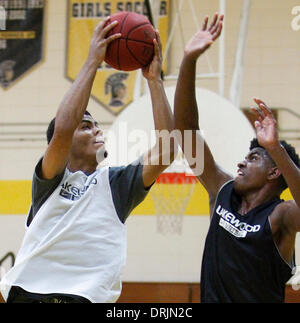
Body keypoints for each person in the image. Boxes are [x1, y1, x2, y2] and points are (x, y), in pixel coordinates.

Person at [0, 17, 175, 303]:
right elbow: (63, 128)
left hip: (83, 297)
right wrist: (93, 61)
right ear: (65, 144)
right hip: (29, 293)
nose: (96, 130)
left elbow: (167, 150)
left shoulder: (117, 184)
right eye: (86, 125)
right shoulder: (51, 177)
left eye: (95, 125)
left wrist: (154, 81)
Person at [174, 13, 300, 303]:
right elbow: (186, 133)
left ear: (274, 173)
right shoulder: (223, 190)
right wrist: (189, 61)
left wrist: (276, 149)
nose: (242, 162)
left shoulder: (281, 215)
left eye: (254, 158)